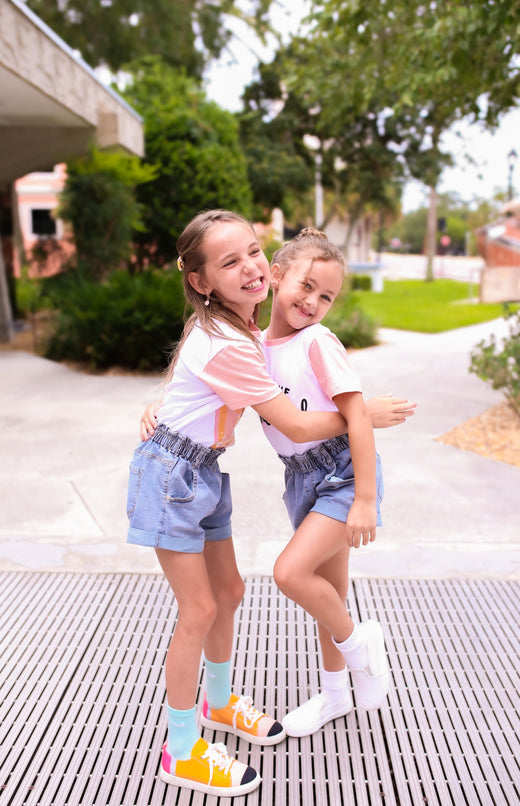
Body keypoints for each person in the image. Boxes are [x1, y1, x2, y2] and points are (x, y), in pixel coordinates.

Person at [127, 210, 351, 798]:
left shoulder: (237, 330)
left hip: (201, 470)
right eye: (230, 262)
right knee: (198, 611)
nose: (251, 266)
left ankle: (218, 703)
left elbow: (183, 366)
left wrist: (160, 400)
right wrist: (363, 413)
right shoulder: (227, 342)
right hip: (171, 476)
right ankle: (180, 751)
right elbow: (295, 426)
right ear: (201, 282)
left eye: (253, 251)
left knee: (229, 593)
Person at [262, 228, 401, 738]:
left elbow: (358, 418)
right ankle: (336, 694)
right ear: (276, 277)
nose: (314, 302)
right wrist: (160, 406)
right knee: (330, 591)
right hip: (301, 479)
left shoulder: (318, 341)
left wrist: (365, 497)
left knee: (290, 573)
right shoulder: (256, 347)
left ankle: (362, 644)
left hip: (341, 473)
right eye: (307, 285)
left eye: (327, 296)